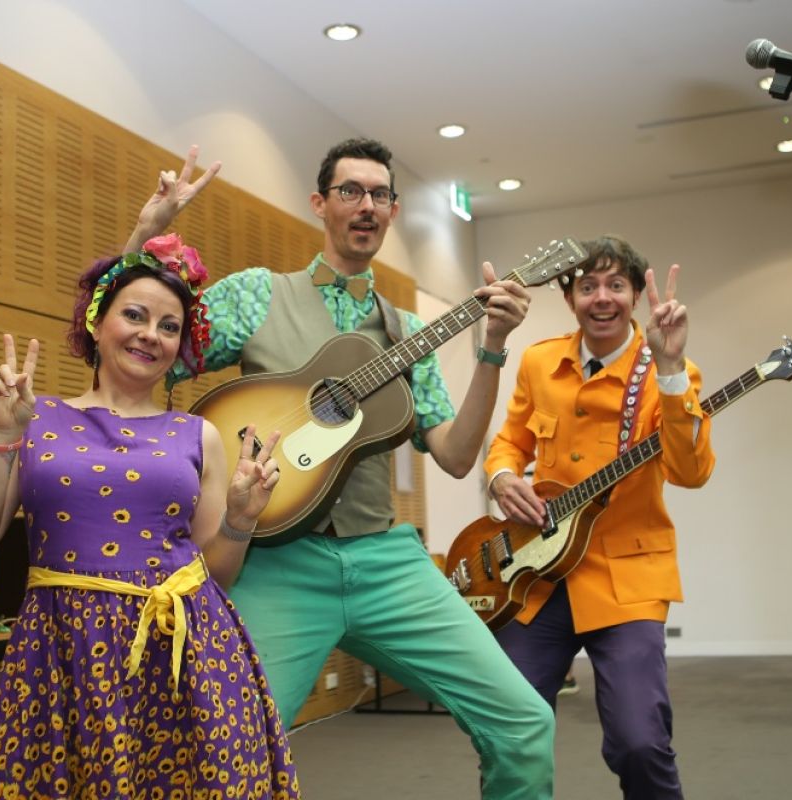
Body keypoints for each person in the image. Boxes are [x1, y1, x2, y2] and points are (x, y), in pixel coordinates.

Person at [136, 138, 555, 799]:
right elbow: (148, 348)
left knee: (525, 720)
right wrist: (146, 237)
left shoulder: (407, 330)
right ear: (320, 203)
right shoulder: (256, 295)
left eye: (380, 195)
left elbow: (453, 456)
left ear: (392, 212)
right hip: (277, 562)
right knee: (222, 744)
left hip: (388, 562)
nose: (367, 205)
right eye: (350, 191)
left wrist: (493, 348)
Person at [0, 155, 300, 799]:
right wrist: (2, 433)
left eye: (170, 326)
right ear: (98, 322)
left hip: (188, 652)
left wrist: (243, 518)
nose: (151, 335)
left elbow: (218, 571)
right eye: (134, 315)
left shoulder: (200, 435)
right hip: (62, 653)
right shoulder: (37, 416)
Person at [485, 234, 715, 799]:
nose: (602, 298)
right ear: (569, 297)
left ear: (636, 295)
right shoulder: (540, 362)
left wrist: (668, 369)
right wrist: (503, 478)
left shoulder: (673, 372)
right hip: (539, 575)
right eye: (587, 286)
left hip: (628, 578)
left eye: (616, 285)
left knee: (640, 742)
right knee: (506, 730)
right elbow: (508, 443)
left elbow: (691, 471)